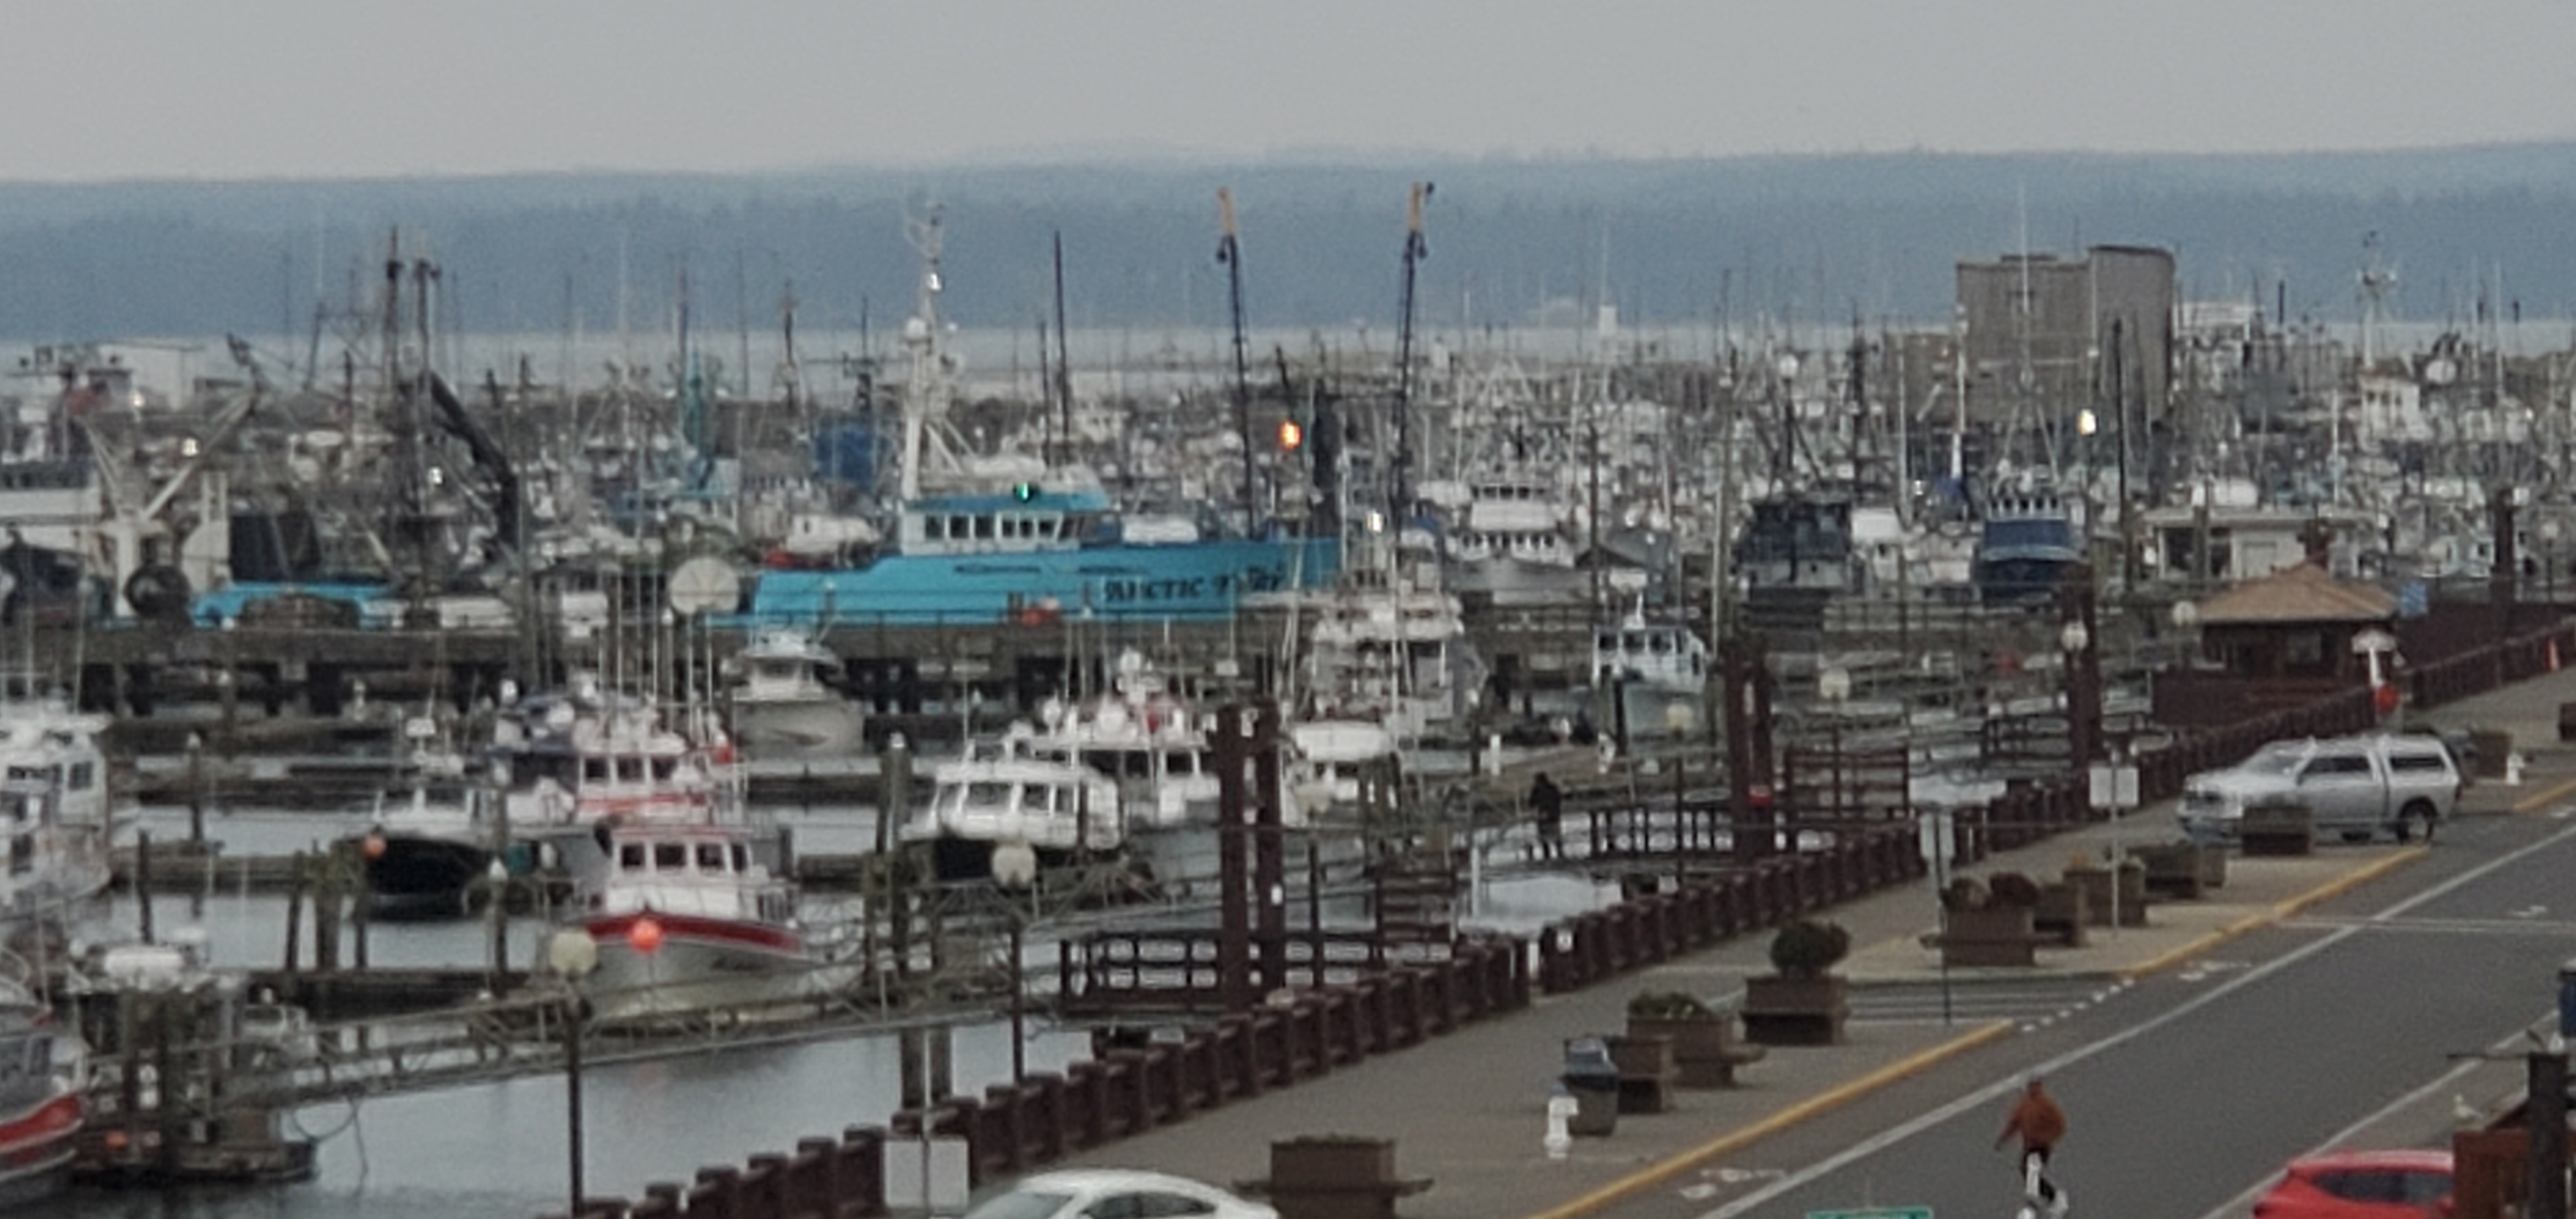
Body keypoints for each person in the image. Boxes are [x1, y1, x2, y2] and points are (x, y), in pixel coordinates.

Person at [1995, 1075, 2069, 1218]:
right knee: (2030, 1175)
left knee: (2032, 1177)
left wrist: (2045, 1139)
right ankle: (2054, 1199)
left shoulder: (2046, 1105)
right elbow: (2014, 1124)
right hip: (2029, 1148)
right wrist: (2003, 1140)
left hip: (2040, 1148)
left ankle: (2032, 1210)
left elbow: (2059, 1125)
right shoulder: (2024, 1106)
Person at [1529, 770, 1565, 861]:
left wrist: (1536, 813)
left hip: (1543, 816)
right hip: (1554, 816)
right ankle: (1560, 854)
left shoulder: (1536, 790)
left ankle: (1547, 856)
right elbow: (1559, 799)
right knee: (1556, 837)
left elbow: (1531, 803)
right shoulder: (1553, 788)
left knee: (1544, 839)